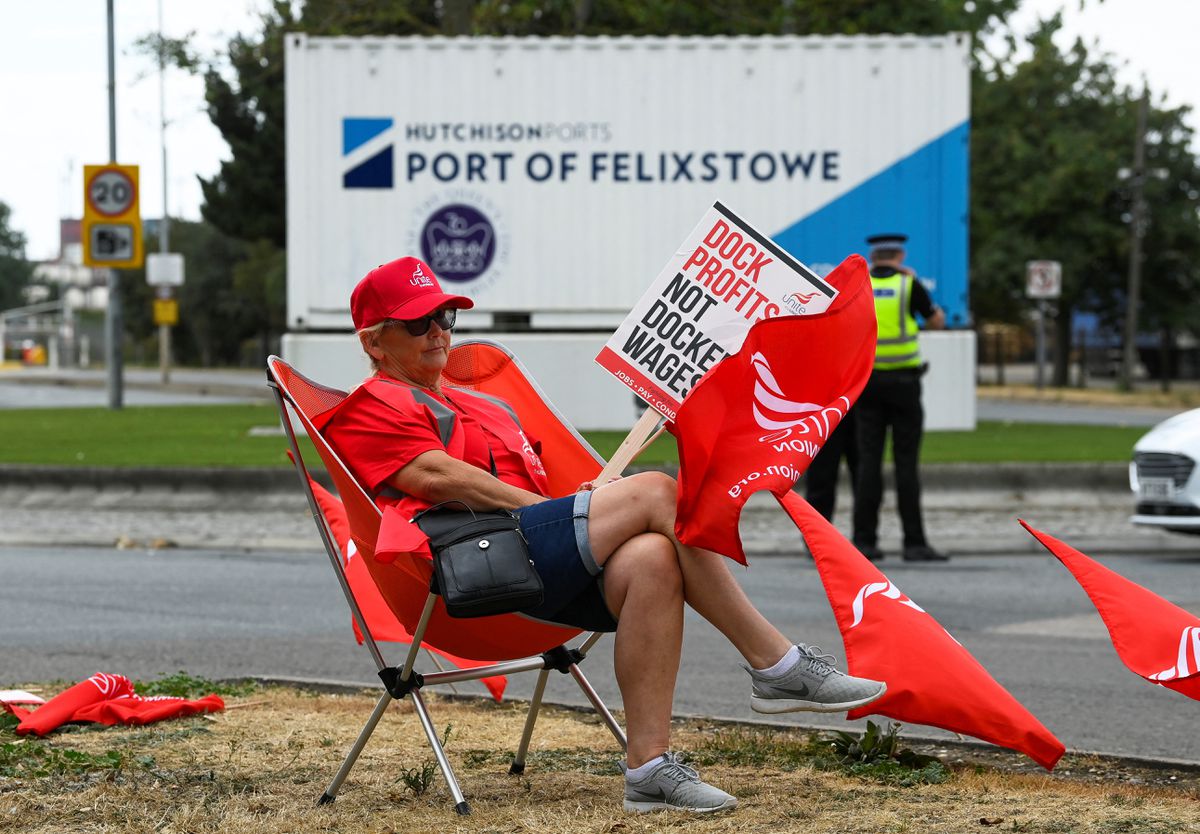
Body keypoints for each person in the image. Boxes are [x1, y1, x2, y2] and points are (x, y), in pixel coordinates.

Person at [320, 256, 887, 814]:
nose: (439, 333)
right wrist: (564, 509)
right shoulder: (369, 405)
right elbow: (434, 474)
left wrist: (588, 501)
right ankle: (777, 665)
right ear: (375, 343)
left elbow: (538, 484)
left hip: (535, 556)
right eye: (419, 323)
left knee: (651, 557)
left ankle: (648, 769)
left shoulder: (483, 405)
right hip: (473, 565)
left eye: (446, 318)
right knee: (659, 492)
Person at [851, 234, 948, 563]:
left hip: (868, 385)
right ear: (900, 255)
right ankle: (914, 543)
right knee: (906, 465)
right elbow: (936, 321)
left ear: (872, 256)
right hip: (905, 385)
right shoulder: (909, 286)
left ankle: (864, 542)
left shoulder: (860, 286)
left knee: (868, 465)